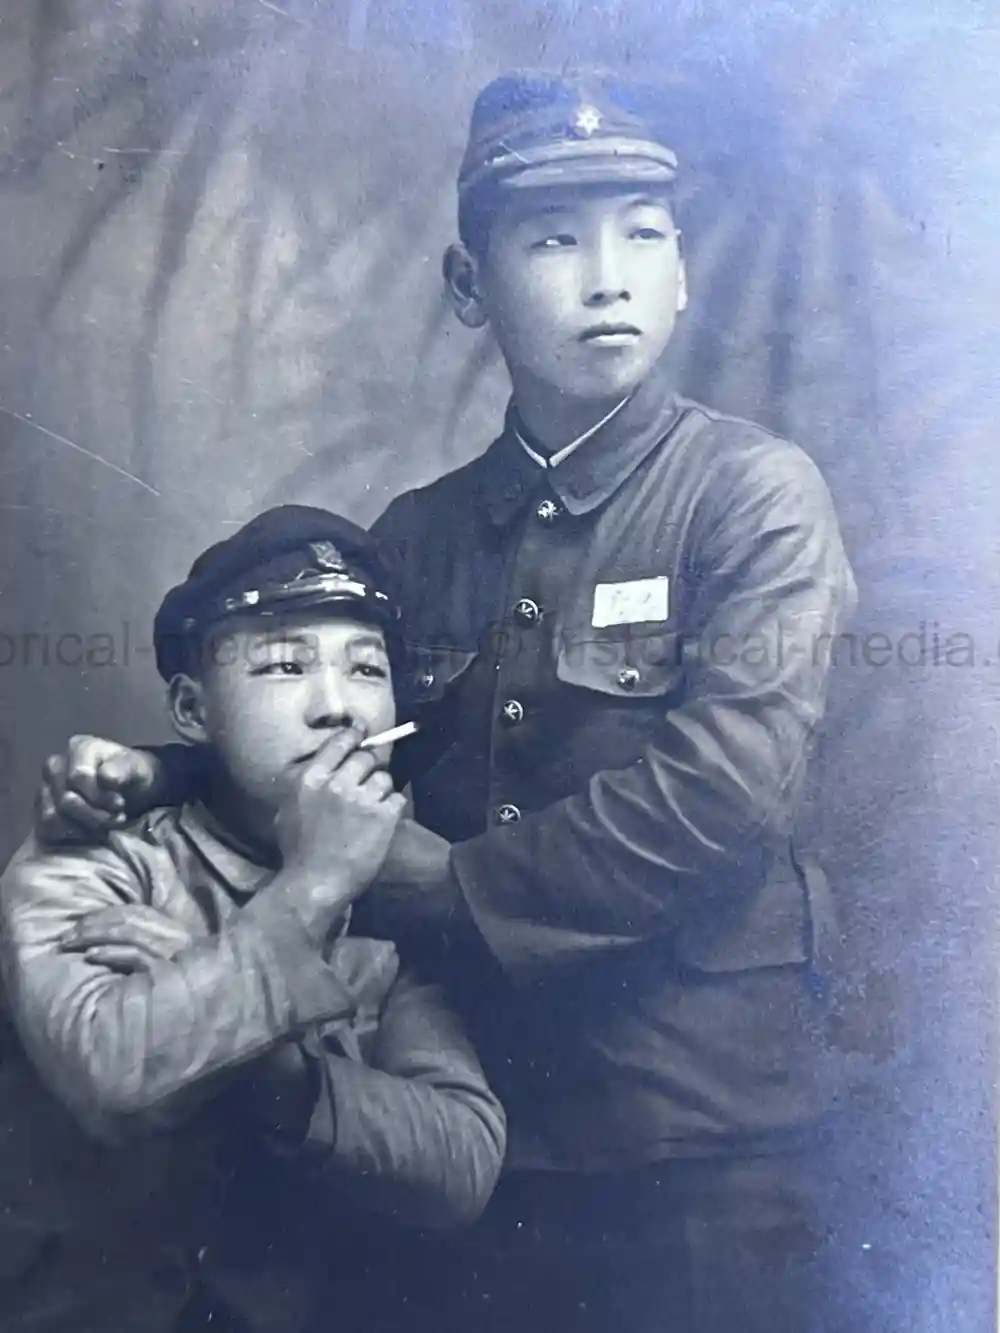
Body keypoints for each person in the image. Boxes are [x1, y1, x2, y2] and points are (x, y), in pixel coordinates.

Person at [34, 70, 857, 1332]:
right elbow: (325, 745)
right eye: (552, 241)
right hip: (469, 1121)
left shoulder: (749, 496)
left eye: (643, 235)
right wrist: (164, 774)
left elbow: (719, 794)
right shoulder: (415, 541)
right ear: (469, 287)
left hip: (698, 1127)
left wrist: (439, 886)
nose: (607, 278)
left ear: (683, 273)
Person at [0, 505, 505, 1333]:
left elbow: (462, 1158)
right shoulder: (92, 851)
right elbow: (114, 1075)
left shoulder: (398, 883)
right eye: (283, 666)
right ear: (194, 713)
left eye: (367, 668)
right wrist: (312, 887)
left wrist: (262, 1056)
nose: (338, 707)